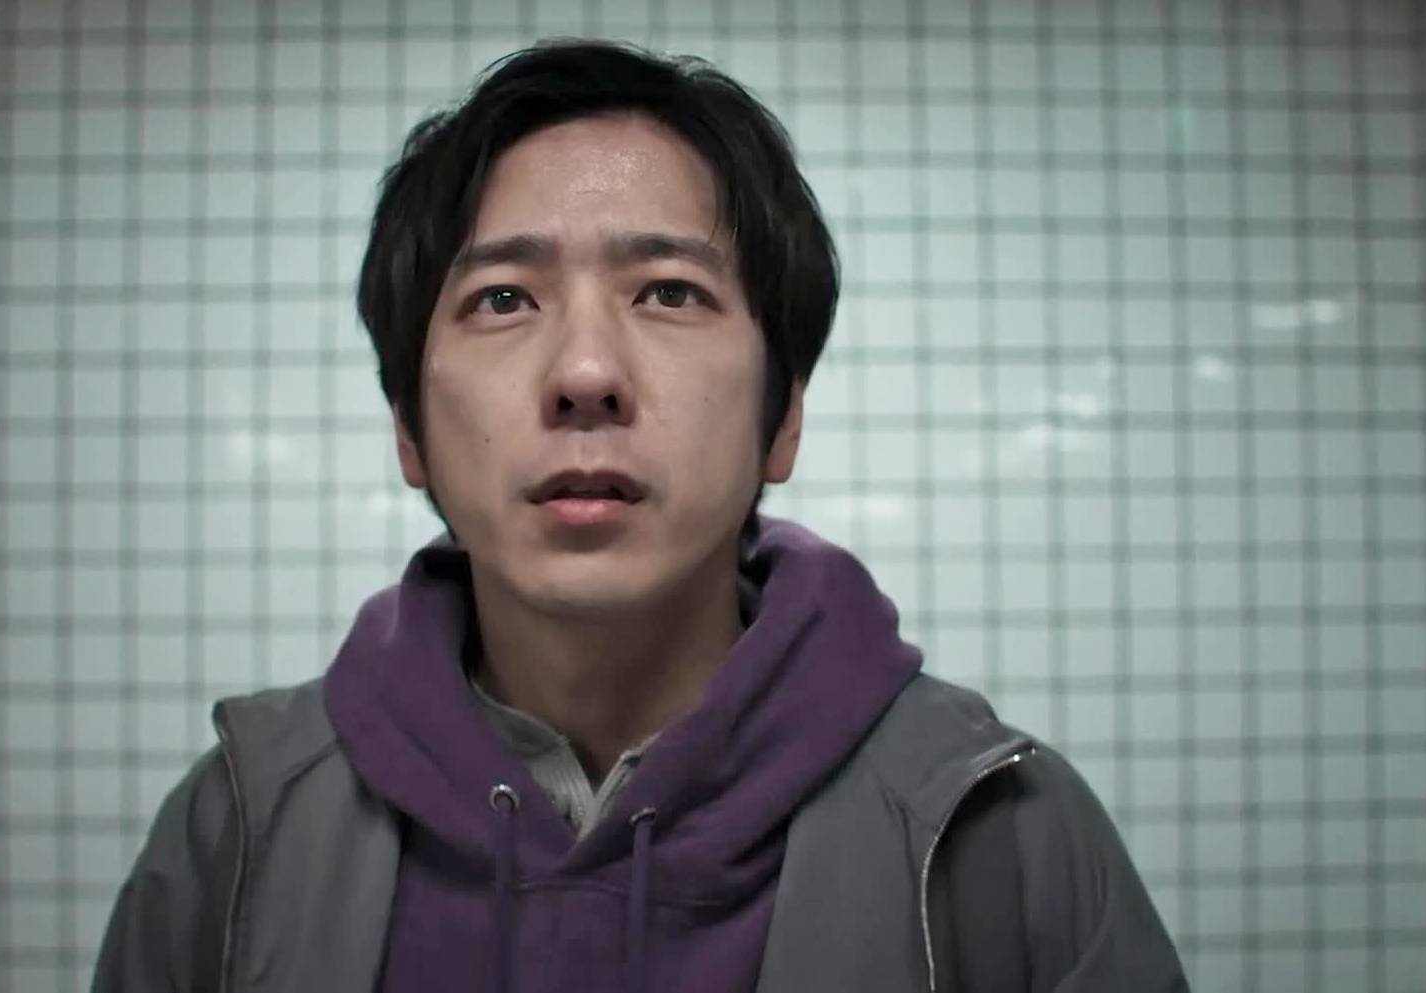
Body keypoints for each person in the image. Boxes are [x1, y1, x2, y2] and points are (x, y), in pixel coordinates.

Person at [92, 39, 1187, 993]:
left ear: (782, 419)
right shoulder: (243, 831)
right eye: (502, 299)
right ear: (408, 429)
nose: (585, 373)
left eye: (668, 291)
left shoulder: (994, 832)